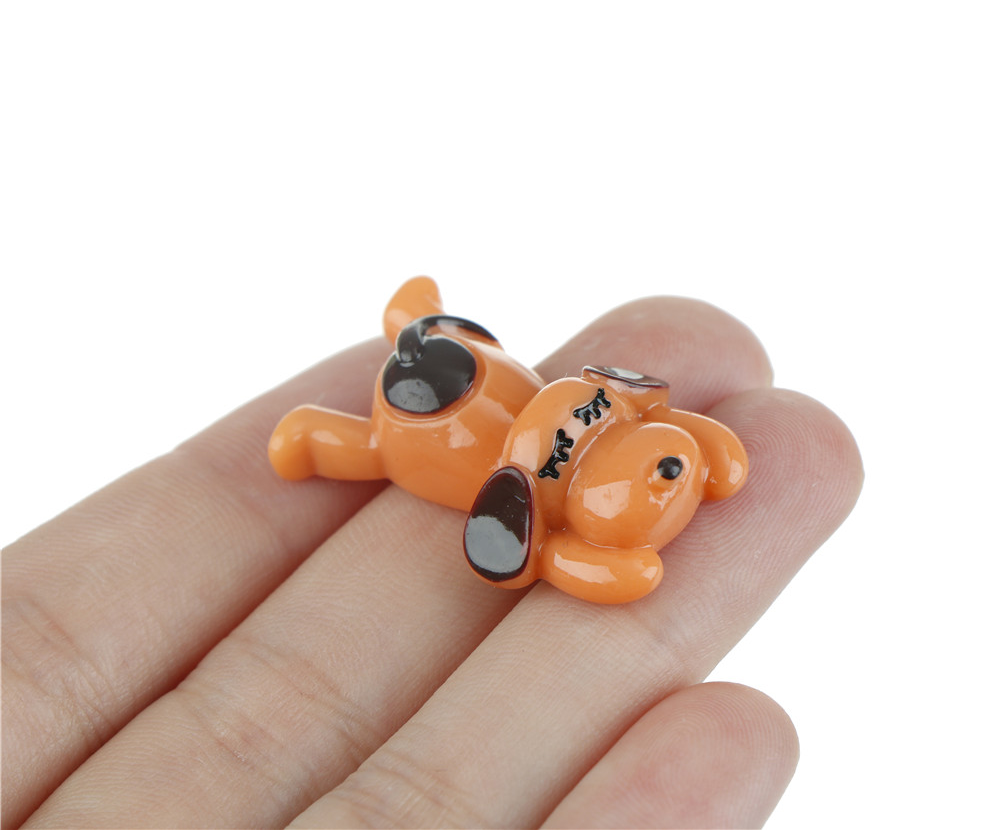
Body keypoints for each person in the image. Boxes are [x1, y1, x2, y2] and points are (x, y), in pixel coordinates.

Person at [2, 293, 862, 829]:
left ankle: (406, 346)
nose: (667, 473)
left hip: (481, 383)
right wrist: (616, 548)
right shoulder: (539, 506)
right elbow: (559, 558)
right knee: (377, 444)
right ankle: (327, 433)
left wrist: (710, 457)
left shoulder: (616, 432)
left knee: (412, 399)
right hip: (424, 431)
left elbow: (663, 450)